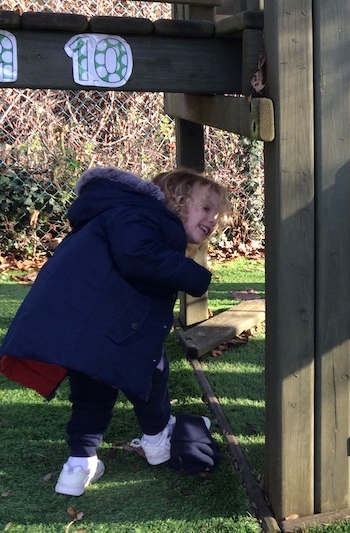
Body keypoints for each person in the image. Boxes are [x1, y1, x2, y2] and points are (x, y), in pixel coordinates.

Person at [0, 166, 231, 496]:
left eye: (216, 215)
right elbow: (137, 255)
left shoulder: (128, 215)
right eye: (206, 208)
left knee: (97, 388)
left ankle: (78, 466)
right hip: (106, 326)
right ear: (176, 201)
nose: (212, 220)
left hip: (94, 326)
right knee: (149, 370)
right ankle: (156, 440)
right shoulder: (140, 212)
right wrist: (195, 276)